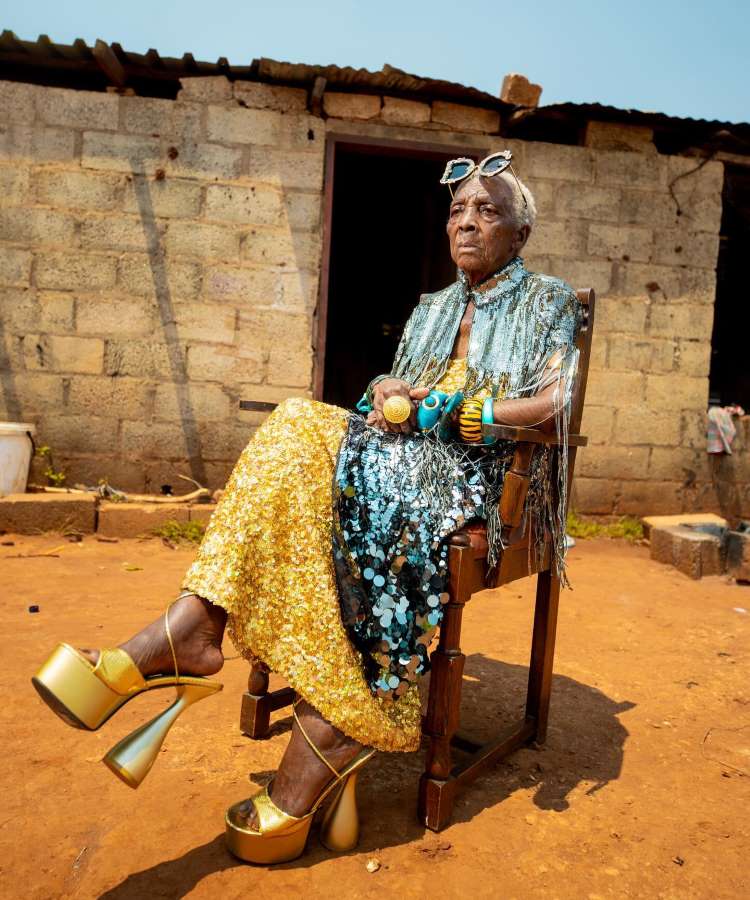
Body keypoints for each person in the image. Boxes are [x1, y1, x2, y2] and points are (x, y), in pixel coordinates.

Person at [32, 151, 581, 865]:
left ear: (520, 231)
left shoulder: (548, 299)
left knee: (365, 477)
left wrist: (451, 413)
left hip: (477, 475)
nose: (466, 222)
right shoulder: (433, 307)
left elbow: (553, 406)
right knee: (295, 424)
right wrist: (391, 387)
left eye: (488, 210)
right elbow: (394, 389)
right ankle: (197, 628)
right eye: (456, 210)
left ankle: (262, 679)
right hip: (393, 451)